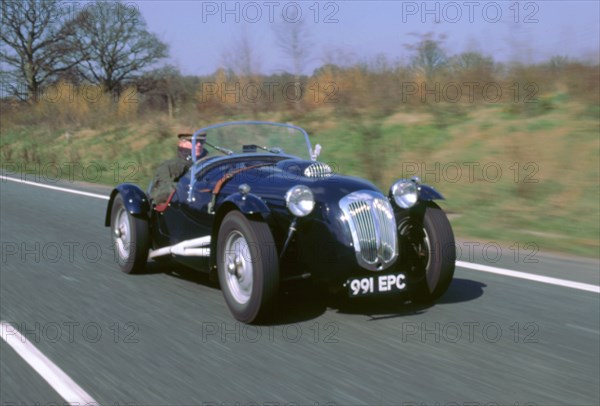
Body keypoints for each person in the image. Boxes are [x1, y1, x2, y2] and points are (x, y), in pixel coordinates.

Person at [149, 133, 207, 206]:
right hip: (186, 208)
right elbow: (162, 193)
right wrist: (191, 191)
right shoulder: (171, 166)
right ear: (181, 144)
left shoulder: (209, 162)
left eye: (201, 141)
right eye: (194, 141)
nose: (199, 144)